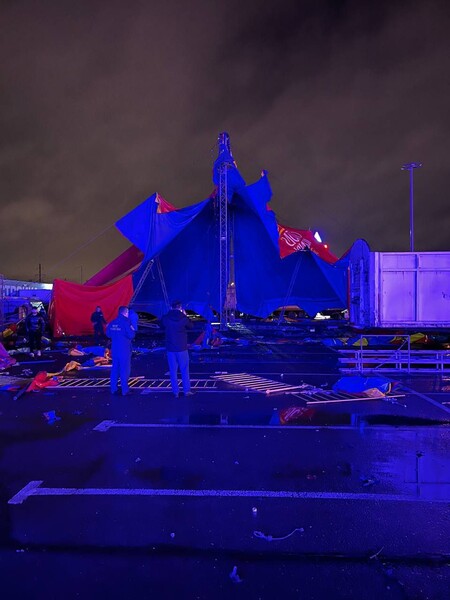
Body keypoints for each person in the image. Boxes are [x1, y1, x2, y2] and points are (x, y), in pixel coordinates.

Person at [161, 300, 194, 398]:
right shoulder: (183, 317)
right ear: (180, 308)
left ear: (171, 307)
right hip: (182, 347)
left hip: (170, 348)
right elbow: (191, 326)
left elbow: (161, 325)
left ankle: (175, 392)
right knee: (184, 370)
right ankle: (187, 391)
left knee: (172, 371)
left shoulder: (166, 317)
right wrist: (186, 315)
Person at [106, 306, 135, 396]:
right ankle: (125, 390)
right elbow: (131, 335)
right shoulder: (127, 322)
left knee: (115, 368)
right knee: (124, 369)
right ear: (125, 313)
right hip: (124, 350)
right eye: (128, 313)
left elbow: (108, 334)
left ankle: (113, 389)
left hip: (115, 349)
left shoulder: (113, 322)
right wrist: (133, 330)